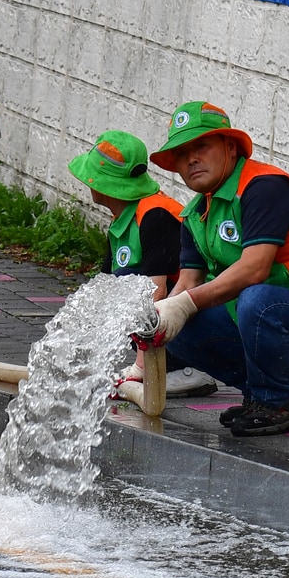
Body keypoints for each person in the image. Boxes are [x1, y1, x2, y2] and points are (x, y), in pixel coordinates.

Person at [145, 101, 289, 436]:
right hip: (279, 322)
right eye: (181, 154)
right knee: (179, 330)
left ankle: (275, 402)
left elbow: (255, 269)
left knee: (256, 298)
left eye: (201, 146)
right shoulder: (193, 215)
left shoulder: (264, 187)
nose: (191, 159)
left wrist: (184, 303)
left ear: (230, 147)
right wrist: (160, 321)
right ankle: (269, 392)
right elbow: (189, 283)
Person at [66, 130, 217, 398]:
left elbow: (157, 293)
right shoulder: (122, 220)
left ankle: (185, 367)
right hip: (165, 327)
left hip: (194, 321)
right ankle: (160, 366)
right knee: (117, 289)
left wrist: (139, 368)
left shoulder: (155, 215)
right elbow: (104, 291)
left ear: (103, 184)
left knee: (137, 289)